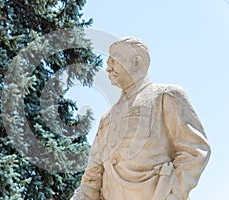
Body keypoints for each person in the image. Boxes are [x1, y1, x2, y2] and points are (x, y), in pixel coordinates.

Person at [71, 37, 211, 200]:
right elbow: (93, 175)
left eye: (114, 61)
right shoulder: (107, 118)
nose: (108, 68)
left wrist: (172, 195)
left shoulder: (166, 95)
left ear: (136, 62)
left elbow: (194, 150)